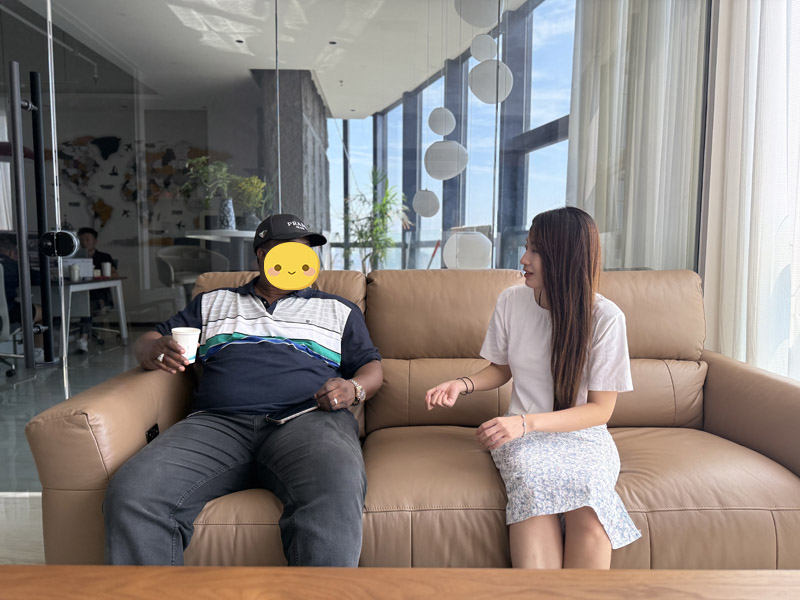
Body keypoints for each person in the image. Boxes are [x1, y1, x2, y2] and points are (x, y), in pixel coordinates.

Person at [103, 213, 383, 566]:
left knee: (335, 484)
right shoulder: (213, 302)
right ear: (262, 255)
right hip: (217, 424)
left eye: (307, 252)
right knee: (133, 492)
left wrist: (354, 388)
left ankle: (318, 591)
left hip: (309, 421)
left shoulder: (339, 309)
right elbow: (150, 339)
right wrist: (152, 349)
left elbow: (372, 368)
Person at [425, 207, 640, 569]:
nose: (524, 259)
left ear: (564, 258)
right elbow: (501, 368)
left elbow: (600, 410)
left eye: (536, 251)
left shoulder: (606, 318)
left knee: (590, 510)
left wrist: (526, 422)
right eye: (527, 247)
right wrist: (462, 384)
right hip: (523, 438)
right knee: (532, 487)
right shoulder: (511, 301)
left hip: (582, 437)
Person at [0, 233, 43, 361]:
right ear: (12, 252)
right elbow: (39, 278)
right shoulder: (12, 266)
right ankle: (38, 353)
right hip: (6, 316)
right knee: (44, 312)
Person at [75, 227, 117, 353]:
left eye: (87, 240)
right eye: (81, 240)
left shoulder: (104, 257)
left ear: (95, 241)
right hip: (78, 295)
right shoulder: (75, 257)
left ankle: (83, 338)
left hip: (99, 297)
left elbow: (115, 274)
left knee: (86, 306)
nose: (84, 243)